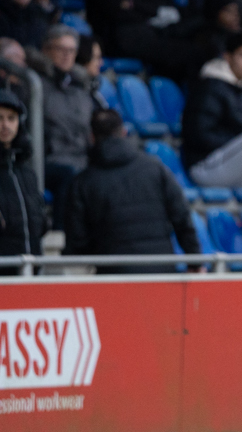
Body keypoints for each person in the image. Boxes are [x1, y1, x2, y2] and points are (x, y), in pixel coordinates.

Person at [64, 109, 200, 275]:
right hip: (160, 273)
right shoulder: (155, 168)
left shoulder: (82, 182)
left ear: (92, 137)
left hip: (112, 277)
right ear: (123, 132)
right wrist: (195, 261)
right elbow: (182, 217)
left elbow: (77, 241)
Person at [181, 31, 242, 192]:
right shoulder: (211, 86)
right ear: (227, 57)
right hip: (205, 166)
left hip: (228, 164)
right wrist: (239, 141)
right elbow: (199, 135)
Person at [27, 25, 93, 230]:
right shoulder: (34, 85)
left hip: (81, 158)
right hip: (48, 160)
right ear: (45, 50)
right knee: (70, 175)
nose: (67, 55)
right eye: (60, 49)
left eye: (71, 50)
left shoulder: (81, 87)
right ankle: (61, 235)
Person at [0, 91, 44, 271]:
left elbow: (39, 220)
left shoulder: (27, 172)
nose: (5, 125)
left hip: (31, 271)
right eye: (0, 118)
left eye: (11, 118)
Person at [76, 35, 109, 111]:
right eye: (96, 58)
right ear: (83, 58)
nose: (101, 63)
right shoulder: (72, 91)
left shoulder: (93, 90)